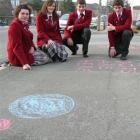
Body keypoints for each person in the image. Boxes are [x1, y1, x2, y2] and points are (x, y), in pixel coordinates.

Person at [7, 4, 50, 70]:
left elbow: (29, 39)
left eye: (27, 14)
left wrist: (32, 47)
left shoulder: (23, 24)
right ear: (17, 14)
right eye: (22, 13)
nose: (25, 16)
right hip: (17, 57)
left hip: (27, 51)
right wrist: (24, 63)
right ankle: (19, 62)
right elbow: (17, 47)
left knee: (46, 55)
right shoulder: (14, 26)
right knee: (46, 58)